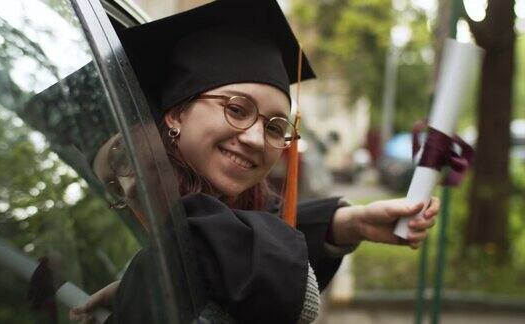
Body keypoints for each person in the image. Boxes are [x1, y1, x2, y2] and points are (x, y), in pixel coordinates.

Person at [70, 0, 440, 323]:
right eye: (236, 109)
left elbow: (258, 229)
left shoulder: (232, 196)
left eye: (276, 127)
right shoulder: (136, 178)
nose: (255, 138)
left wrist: (349, 223)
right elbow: (266, 275)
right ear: (177, 114)